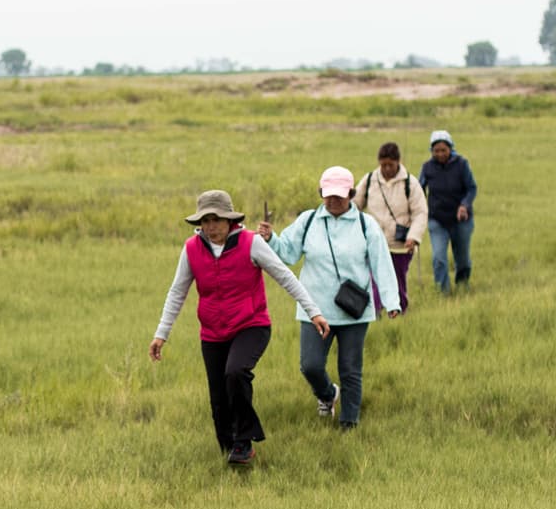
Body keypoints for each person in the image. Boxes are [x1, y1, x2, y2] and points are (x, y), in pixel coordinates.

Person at [150, 189, 329, 466]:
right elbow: (177, 292)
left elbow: (285, 276)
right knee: (218, 398)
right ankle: (230, 452)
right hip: (212, 332)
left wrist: (314, 311)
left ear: (229, 220)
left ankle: (244, 442)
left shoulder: (251, 243)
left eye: (216, 220)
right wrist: (161, 334)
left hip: (251, 325)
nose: (210, 227)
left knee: (235, 373)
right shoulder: (192, 249)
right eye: (205, 221)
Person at [257, 167, 401, 430]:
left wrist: (392, 302)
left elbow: (382, 263)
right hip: (314, 309)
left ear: (351, 194)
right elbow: (288, 253)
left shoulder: (365, 225)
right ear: (321, 193)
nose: (333, 201)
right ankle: (327, 395)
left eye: (340, 195)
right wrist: (270, 239)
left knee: (350, 370)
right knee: (310, 365)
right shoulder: (308, 220)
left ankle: (349, 422)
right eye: (328, 195)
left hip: (354, 311)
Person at [354, 142, 428, 313]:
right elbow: (355, 204)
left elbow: (420, 212)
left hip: (400, 245)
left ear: (398, 162)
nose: (386, 168)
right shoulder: (370, 179)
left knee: (397, 281)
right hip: (373, 242)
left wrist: (414, 236)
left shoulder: (410, 183)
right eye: (383, 164)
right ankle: (376, 313)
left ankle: (400, 310)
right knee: (374, 281)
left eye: (390, 165)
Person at [419, 129, 478, 294]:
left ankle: (462, 285)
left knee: (463, 259)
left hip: (461, 219)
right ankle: (442, 291)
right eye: (436, 151)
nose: (440, 154)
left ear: (451, 148)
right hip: (437, 219)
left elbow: (472, 188)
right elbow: (419, 189)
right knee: (439, 258)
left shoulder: (461, 164)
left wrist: (464, 205)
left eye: (443, 150)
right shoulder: (427, 167)